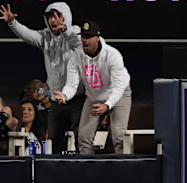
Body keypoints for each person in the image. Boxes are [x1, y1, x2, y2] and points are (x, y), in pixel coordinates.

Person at [0, 2, 83, 153]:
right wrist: (12, 22)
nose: (53, 20)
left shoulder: (75, 32)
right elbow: (28, 34)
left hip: (77, 98)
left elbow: (79, 44)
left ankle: (84, 171)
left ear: (66, 16)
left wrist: (64, 29)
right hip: (57, 99)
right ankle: (54, 172)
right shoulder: (45, 37)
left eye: (57, 16)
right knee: (53, 139)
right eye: (50, 17)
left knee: (80, 137)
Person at [54, 21, 132, 155]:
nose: (85, 40)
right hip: (94, 97)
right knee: (83, 137)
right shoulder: (76, 57)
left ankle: (124, 170)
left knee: (119, 137)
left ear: (97, 38)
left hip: (119, 95)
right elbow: (71, 84)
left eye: (89, 37)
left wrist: (107, 105)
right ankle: (87, 171)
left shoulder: (112, 55)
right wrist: (65, 95)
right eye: (83, 36)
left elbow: (118, 87)